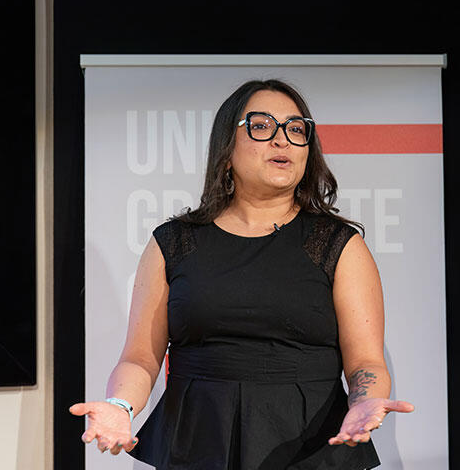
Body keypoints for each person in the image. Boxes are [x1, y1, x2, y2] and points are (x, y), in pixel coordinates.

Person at [70, 79, 415, 469]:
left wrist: (364, 402)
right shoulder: (175, 243)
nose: (282, 140)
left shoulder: (337, 245)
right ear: (226, 146)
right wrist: (120, 407)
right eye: (262, 126)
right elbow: (139, 358)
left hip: (310, 444)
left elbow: (365, 363)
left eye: (296, 128)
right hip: (198, 439)